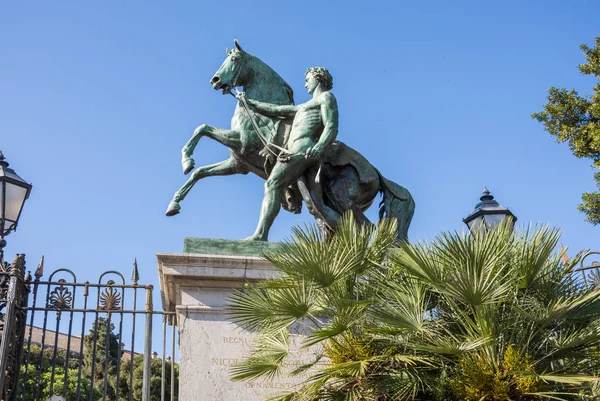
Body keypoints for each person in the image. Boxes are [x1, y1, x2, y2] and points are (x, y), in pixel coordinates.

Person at [238, 67, 339, 241]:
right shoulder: (304, 106)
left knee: (272, 184)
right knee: (317, 205)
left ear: (318, 78)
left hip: (302, 149)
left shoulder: (326, 98)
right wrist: (249, 102)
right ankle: (353, 232)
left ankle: (261, 235)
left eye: (308, 79)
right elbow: (276, 110)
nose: (306, 83)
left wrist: (320, 146)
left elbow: (331, 126)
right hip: (297, 151)